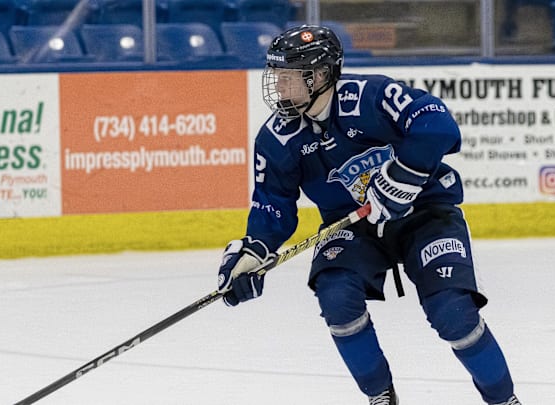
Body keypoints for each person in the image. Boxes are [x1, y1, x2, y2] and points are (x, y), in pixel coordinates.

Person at [216, 24, 521, 405]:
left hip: (424, 213)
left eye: (291, 76)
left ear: (323, 75)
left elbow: (437, 122)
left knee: (453, 311)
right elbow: (272, 204)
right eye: (277, 76)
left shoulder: (369, 96)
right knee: (336, 299)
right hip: (354, 228)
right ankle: (380, 396)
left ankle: (504, 400)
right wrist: (252, 252)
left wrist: (404, 173)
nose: (280, 86)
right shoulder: (276, 138)